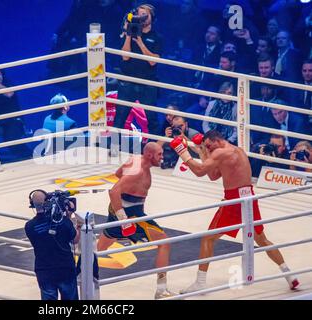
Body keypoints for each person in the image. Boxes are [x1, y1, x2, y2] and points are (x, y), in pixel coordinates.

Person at [169, 130, 300, 294]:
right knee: (262, 239)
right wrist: (202, 151)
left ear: (216, 140)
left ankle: (200, 283)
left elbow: (200, 171)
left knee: (208, 239)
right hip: (249, 198)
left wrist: (183, 152)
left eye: (208, 146)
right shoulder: (236, 150)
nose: (208, 150)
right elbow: (213, 175)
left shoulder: (219, 152)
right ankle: (289, 275)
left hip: (235, 201)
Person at [96, 142, 173, 299]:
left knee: (108, 240)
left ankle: (81, 266)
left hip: (117, 207)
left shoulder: (136, 159)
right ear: (150, 155)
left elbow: (118, 173)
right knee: (164, 242)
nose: (162, 157)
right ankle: (161, 290)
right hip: (131, 213)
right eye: (160, 154)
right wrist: (124, 220)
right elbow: (113, 191)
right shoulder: (137, 171)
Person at [112, 3, 161, 150]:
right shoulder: (128, 33)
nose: (142, 17)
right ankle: (114, 148)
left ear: (152, 18)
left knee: (151, 118)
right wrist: (129, 35)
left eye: (145, 14)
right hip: (128, 81)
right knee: (120, 116)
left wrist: (140, 42)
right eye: (139, 13)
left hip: (147, 82)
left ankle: (153, 150)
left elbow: (153, 61)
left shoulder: (157, 38)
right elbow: (125, 57)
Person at [25, 190, 80, 300]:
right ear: (48, 202)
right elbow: (75, 239)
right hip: (64, 267)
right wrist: (71, 220)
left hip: (44, 269)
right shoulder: (62, 221)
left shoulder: (29, 226)